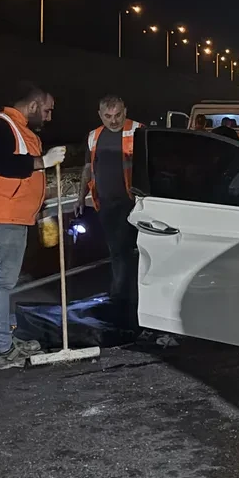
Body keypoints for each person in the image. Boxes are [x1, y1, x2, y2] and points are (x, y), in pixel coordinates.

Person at [0, 84, 67, 369]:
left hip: (13, 217)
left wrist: (42, 212)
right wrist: (43, 161)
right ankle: (2, 351)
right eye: (47, 110)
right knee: (0, 282)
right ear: (34, 105)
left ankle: (6, 343)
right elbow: (2, 163)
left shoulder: (24, 132)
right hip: (0, 217)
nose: (48, 117)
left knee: (4, 281)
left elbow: (27, 179)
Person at [75, 96, 143, 331]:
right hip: (105, 203)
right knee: (117, 252)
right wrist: (80, 197)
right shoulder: (94, 136)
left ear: (126, 111)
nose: (113, 121)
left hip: (132, 202)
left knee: (125, 251)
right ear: (100, 114)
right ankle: (123, 295)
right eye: (108, 116)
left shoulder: (138, 131)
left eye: (118, 115)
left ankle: (122, 298)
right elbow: (88, 168)